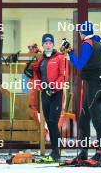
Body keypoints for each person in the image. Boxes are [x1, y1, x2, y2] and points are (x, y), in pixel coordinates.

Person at [61, 21, 101, 166]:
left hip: (95, 85)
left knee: (96, 119)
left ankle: (99, 154)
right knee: (84, 119)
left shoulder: (88, 43)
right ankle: (83, 153)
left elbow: (80, 64)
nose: (79, 34)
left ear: (83, 33)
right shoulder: (98, 42)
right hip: (95, 84)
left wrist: (70, 53)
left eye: (80, 32)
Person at [32, 33, 69, 162]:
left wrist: (52, 87)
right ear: (43, 45)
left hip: (56, 94)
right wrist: (37, 80)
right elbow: (36, 73)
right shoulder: (41, 59)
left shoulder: (59, 57)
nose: (48, 45)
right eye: (46, 43)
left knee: (53, 123)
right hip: (44, 94)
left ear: (53, 45)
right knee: (49, 123)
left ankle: (56, 152)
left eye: (50, 43)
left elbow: (63, 76)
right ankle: (54, 151)